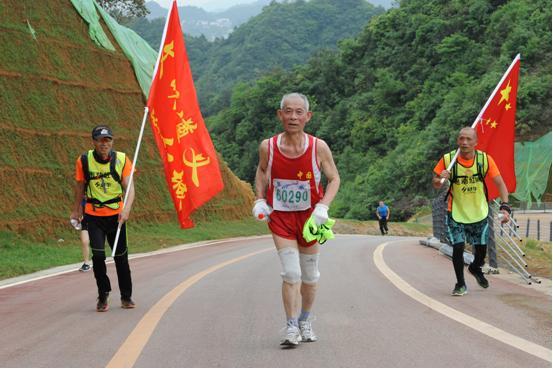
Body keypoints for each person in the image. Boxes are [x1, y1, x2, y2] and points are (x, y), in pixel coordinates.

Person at [253, 93, 340, 347]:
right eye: (288, 112)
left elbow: (334, 178)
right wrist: (259, 198)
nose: (293, 117)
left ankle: (305, 320)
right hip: (280, 217)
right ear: (280, 115)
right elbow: (261, 170)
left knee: (310, 275)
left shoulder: (318, 147)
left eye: (298, 112)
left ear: (307, 116)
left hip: (311, 219)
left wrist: (323, 206)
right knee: (291, 272)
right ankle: (291, 327)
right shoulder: (267, 146)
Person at [432, 127, 511, 296]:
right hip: (456, 212)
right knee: (458, 247)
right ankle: (460, 284)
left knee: (481, 251)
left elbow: (500, 183)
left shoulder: (484, 160)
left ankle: (475, 267)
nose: (464, 142)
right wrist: (440, 179)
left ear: (476, 142)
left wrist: (505, 207)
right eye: (461, 139)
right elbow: (436, 182)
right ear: (458, 141)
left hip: (479, 213)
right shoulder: (448, 160)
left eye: (468, 139)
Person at [70, 125, 136, 312]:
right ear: (94, 142)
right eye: (100, 140)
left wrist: (127, 209)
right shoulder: (84, 161)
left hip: (117, 217)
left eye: (107, 140)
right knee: (98, 256)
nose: (104, 144)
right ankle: (103, 294)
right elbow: (80, 187)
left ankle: (126, 296)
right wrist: (76, 210)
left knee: (121, 257)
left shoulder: (122, 160)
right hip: (93, 215)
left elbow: (130, 188)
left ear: (112, 142)